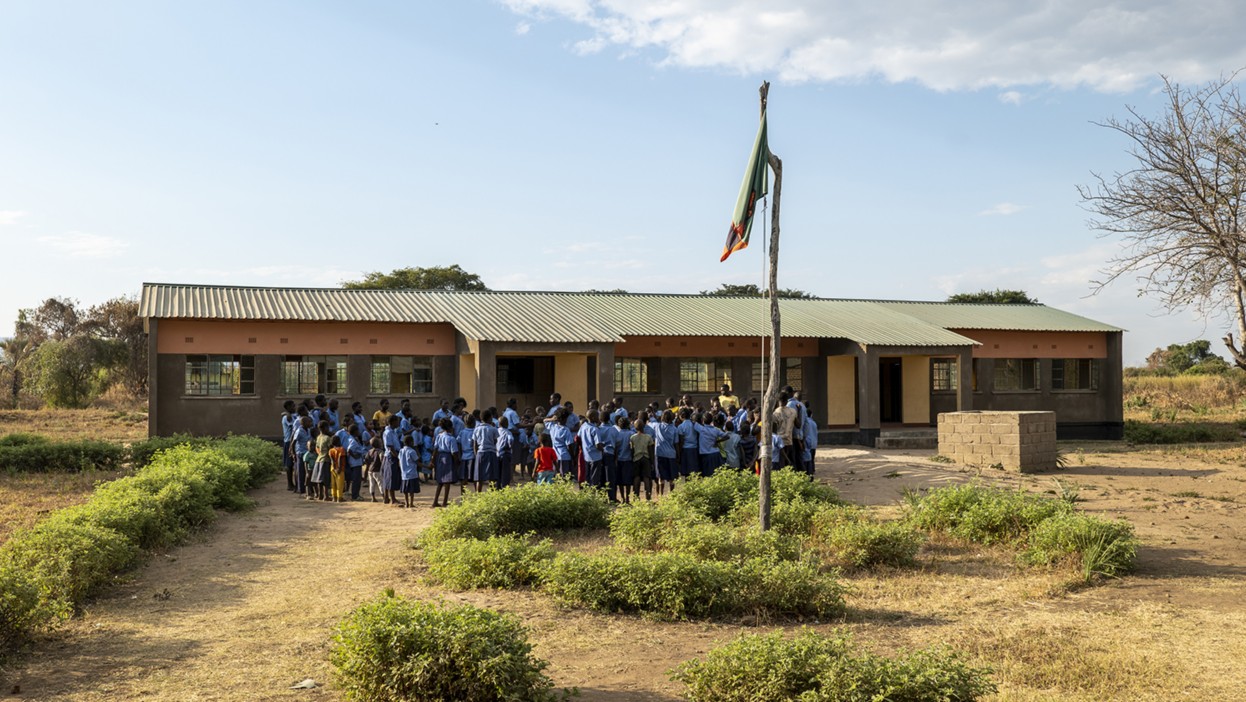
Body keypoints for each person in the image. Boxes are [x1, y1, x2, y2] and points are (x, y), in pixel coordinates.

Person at [431, 418, 459, 507]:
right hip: (448, 458)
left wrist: (433, 460)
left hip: (440, 457)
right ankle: (444, 502)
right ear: (451, 427)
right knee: (447, 481)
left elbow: (435, 449)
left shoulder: (439, 436)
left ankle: (435, 501)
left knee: (440, 481)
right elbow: (454, 452)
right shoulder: (452, 438)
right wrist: (457, 462)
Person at [653, 410, 679, 495]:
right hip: (671, 454)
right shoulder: (674, 429)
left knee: (661, 476)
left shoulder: (657, 426)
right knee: (672, 477)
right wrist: (678, 455)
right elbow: (676, 443)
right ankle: (672, 494)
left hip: (660, 453)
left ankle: (661, 495)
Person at [578, 410, 605, 489]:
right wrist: (603, 449)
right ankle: (593, 496)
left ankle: (588, 494)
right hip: (596, 457)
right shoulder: (595, 429)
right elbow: (598, 445)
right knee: (595, 479)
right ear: (593, 417)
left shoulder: (583, 426)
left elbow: (578, 436)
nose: (599, 418)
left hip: (586, 456)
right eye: (597, 416)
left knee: (588, 477)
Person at [632, 416, 656, 502]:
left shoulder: (632, 438)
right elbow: (651, 451)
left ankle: (636, 496)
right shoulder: (648, 437)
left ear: (635, 427)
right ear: (644, 427)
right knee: (647, 478)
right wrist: (652, 462)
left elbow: (632, 450)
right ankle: (648, 496)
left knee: (636, 477)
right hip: (646, 458)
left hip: (636, 459)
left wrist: (632, 459)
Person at [696, 412, 728, 477]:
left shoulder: (701, 429)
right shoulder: (715, 430)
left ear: (702, 420)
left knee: (708, 475)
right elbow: (727, 436)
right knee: (717, 475)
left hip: (706, 455)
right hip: (716, 454)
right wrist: (717, 441)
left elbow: (693, 421)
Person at [546, 409, 575, 480]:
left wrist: (552, 418)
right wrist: (573, 457)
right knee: (564, 477)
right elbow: (569, 445)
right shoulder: (565, 430)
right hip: (564, 456)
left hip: (555, 455)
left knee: (556, 477)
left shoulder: (552, 427)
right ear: (565, 419)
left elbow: (545, 420)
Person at [381, 414, 402, 506]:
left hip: (393, 454)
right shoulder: (388, 432)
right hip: (391, 456)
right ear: (392, 422)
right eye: (397, 421)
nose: (398, 423)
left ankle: (386, 497)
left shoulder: (393, 431)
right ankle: (392, 499)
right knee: (391, 477)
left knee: (388, 476)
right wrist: (397, 457)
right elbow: (390, 446)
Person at [599, 412, 619, 502]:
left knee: (601, 476)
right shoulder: (613, 429)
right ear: (609, 419)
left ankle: (602, 498)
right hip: (610, 453)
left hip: (600, 454)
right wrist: (616, 457)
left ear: (600, 419)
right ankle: (612, 498)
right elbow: (617, 444)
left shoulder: (598, 429)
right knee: (611, 477)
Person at [290, 414, 312, 495]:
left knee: (307, 471)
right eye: (309, 422)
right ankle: (300, 488)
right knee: (300, 471)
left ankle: (308, 488)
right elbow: (293, 443)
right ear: (304, 423)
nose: (311, 423)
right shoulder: (299, 431)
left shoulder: (308, 430)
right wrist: (293, 453)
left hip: (307, 452)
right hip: (300, 453)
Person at [676, 408, 699, 479]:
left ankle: (687, 488)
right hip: (694, 449)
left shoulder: (681, 427)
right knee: (694, 471)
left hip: (685, 450)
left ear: (681, 416)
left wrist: (679, 454)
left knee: (686, 472)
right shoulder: (694, 424)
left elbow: (681, 441)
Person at [345, 424, 367, 500]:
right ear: (355, 431)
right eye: (357, 430)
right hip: (355, 463)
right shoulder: (353, 441)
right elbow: (349, 450)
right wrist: (355, 456)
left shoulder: (352, 439)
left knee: (356, 480)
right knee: (356, 480)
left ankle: (356, 494)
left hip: (355, 462)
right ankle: (355, 496)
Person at [399, 435, 421, 508]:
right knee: (411, 490)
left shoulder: (401, 451)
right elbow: (417, 462)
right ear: (411, 442)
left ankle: (406, 503)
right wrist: (427, 466)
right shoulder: (412, 451)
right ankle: (411, 503)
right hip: (412, 473)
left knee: (405, 490)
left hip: (404, 474)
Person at [280, 400, 298, 491]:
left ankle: (295, 483)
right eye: (292, 406)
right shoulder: (287, 418)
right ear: (288, 408)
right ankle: (289, 484)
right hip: (289, 441)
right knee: (289, 464)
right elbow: (293, 427)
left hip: (295, 441)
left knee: (295, 463)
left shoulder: (294, 416)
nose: (294, 407)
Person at [458, 414, 476, 491]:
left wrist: (460, 454)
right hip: (472, 456)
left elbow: (458, 443)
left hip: (464, 456)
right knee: (475, 478)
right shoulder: (475, 432)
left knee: (463, 479)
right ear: (473, 423)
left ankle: (463, 497)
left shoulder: (462, 432)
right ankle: (477, 495)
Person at [364, 436, 385, 502]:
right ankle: (384, 497)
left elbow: (366, 459)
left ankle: (373, 497)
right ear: (378, 444)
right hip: (377, 470)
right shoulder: (380, 451)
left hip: (370, 470)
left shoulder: (370, 451)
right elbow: (382, 459)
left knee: (372, 484)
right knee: (380, 483)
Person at [496, 416, 514, 489]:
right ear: (506, 424)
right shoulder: (508, 432)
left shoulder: (496, 431)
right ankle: (504, 488)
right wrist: (510, 446)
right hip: (505, 453)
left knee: (498, 472)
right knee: (505, 473)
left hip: (496, 453)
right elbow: (511, 440)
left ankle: (497, 487)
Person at [328, 435, 347, 503]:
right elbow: (339, 459)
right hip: (340, 469)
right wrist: (338, 468)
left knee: (333, 484)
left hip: (332, 468)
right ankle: (339, 497)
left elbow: (332, 460)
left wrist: (334, 467)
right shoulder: (341, 449)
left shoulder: (331, 450)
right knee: (340, 484)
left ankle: (334, 497)